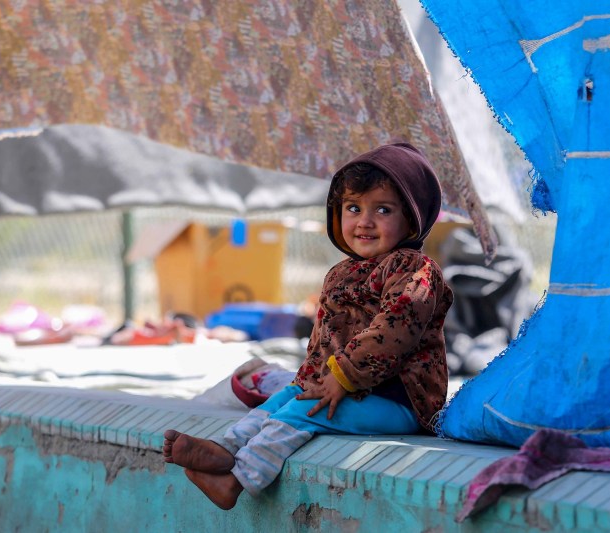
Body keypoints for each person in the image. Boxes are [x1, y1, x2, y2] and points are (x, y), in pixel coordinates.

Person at [162, 142, 454, 509]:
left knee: (306, 410)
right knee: (286, 397)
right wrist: (310, 379)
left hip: (397, 401)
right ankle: (225, 447)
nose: (364, 221)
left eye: (383, 209)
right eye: (353, 208)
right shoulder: (342, 273)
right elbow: (324, 339)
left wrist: (342, 377)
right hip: (347, 387)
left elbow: (394, 331)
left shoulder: (414, 270)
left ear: (412, 219)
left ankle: (237, 480)